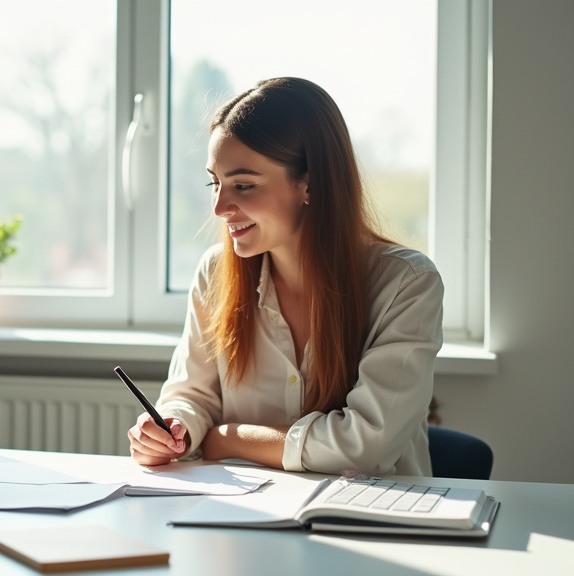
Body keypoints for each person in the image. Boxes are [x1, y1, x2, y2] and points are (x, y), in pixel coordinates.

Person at [128, 77, 442, 477]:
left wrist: (228, 438)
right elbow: (192, 395)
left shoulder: (406, 284)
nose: (221, 207)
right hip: (251, 516)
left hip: (372, 524)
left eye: (243, 185)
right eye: (215, 183)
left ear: (309, 184)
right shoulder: (214, 274)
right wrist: (174, 429)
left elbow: (364, 445)